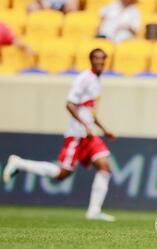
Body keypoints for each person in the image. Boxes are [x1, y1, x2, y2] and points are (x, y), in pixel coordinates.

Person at [3, 48, 116, 222]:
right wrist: (85, 126)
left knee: (105, 167)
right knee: (61, 174)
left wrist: (104, 128)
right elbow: (70, 104)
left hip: (89, 135)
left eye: (103, 59)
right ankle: (19, 163)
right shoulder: (84, 79)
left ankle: (94, 211)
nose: (100, 62)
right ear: (91, 60)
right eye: (97, 59)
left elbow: (89, 111)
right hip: (77, 134)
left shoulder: (97, 80)